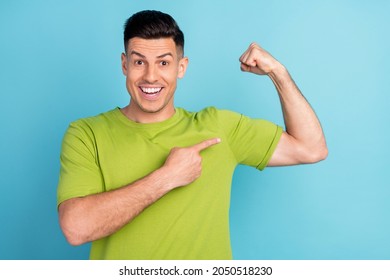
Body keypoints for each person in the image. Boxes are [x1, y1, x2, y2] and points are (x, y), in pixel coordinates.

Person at [57, 10, 327, 260]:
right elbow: (76, 228)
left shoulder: (219, 128)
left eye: (164, 62)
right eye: (139, 62)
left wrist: (278, 74)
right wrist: (166, 177)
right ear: (124, 65)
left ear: (181, 67)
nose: (151, 76)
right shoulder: (86, 133)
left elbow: (311, 148)